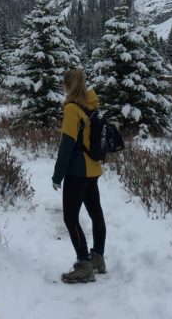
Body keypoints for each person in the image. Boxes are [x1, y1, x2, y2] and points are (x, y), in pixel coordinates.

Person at [52, 67, 106, 284]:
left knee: (70, 217)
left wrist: (57, 175)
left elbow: (67, 145)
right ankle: (98, 258)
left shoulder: (72, 109)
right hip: (93, 169)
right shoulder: (91, 105)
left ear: (68, 85)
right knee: (96, 213)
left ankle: (84, 265)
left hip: (77, 172)